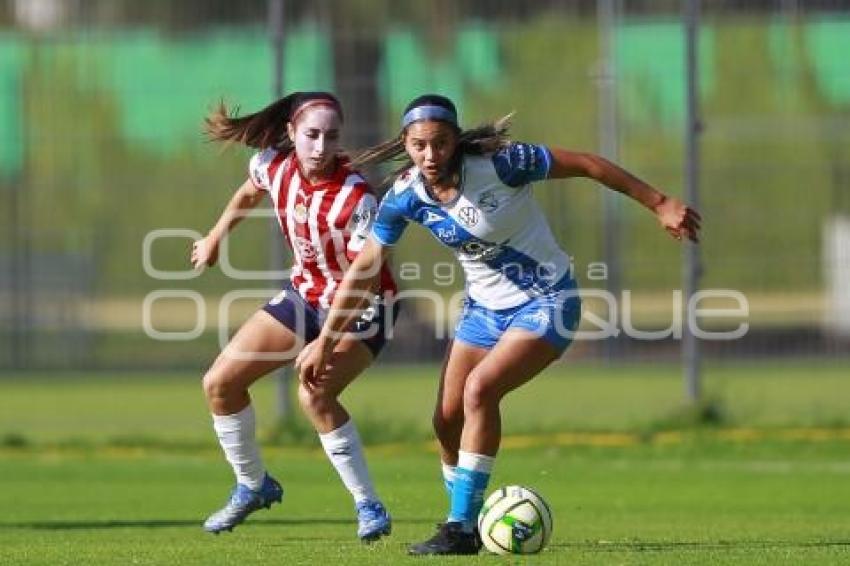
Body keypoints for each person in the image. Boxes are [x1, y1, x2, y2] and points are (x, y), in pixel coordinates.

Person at [297, 94, 701, 555]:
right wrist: (327, 341)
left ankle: (460, 527)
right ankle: (468, 517)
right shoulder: (406, 195)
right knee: (446, 421)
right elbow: (365, 268)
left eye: (441, 143)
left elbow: (588, 164)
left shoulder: (504, 164)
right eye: (419, 146)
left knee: (479, 390)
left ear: (456, 139)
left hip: (547, 301)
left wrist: (661, 201)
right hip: (482, 312)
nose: (431, 156)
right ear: (405, 145)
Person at [192, 91, 398, 541]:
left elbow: (362, 279)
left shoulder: (356, 198)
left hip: (363, 307)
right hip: (305, 295)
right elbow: (249, 191)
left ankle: (370, 506)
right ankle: (252, 486)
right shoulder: (274, 165)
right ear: (291, 133)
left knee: (315, 396)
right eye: (311, 135)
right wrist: (214, 236)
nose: (321, 147)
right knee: (219, 384)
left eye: (331, 136)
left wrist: (324, 340)